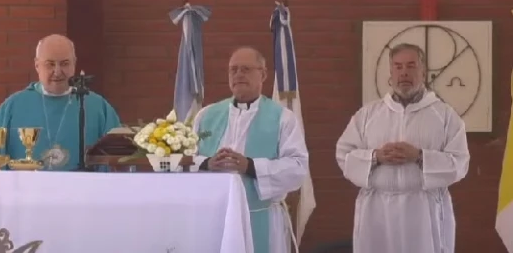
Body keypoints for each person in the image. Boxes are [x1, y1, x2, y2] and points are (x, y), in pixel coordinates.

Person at [336, 43, 470, 253]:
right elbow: (344, 155)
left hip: (423, 210)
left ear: (423, 72)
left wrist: (420, 157)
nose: (404, 72)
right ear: (391, 73)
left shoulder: (444, 116)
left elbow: (460, 163)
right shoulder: (368, 115)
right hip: (377, 211)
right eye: (398, 67)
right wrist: (375, 157)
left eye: (411, 66)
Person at [193, 46, 309, 253]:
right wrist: (207, 163)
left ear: (263, 74)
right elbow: (185, 159)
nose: (238, 74)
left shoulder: (282, 118)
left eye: (245, 69)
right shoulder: (207, 115)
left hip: (260, 215)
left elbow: (297, 167)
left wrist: (251, 166)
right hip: (214, 216)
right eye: (233, 69)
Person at [0, 34, 121, 171]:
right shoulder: (14, 106)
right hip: (25, 194)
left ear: (74, 63)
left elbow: (120, 157)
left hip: (82, 195)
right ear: (37, 65)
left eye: (64, 63)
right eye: (50, 64)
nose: (57, 71)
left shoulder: (96, 107)